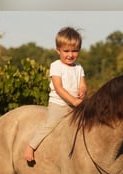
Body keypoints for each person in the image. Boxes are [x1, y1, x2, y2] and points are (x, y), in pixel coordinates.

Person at [24, 27, 87, 162]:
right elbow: (59, 88)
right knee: (50, 124)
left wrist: (82, 91)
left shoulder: (79, 67)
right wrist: (74, 101)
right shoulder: (56, 66)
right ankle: (31, 146)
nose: (70, 55)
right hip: (59, 105)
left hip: (75, 105)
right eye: (66, 51)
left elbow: (82, 84)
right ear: (58, 50)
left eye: (74, 51)